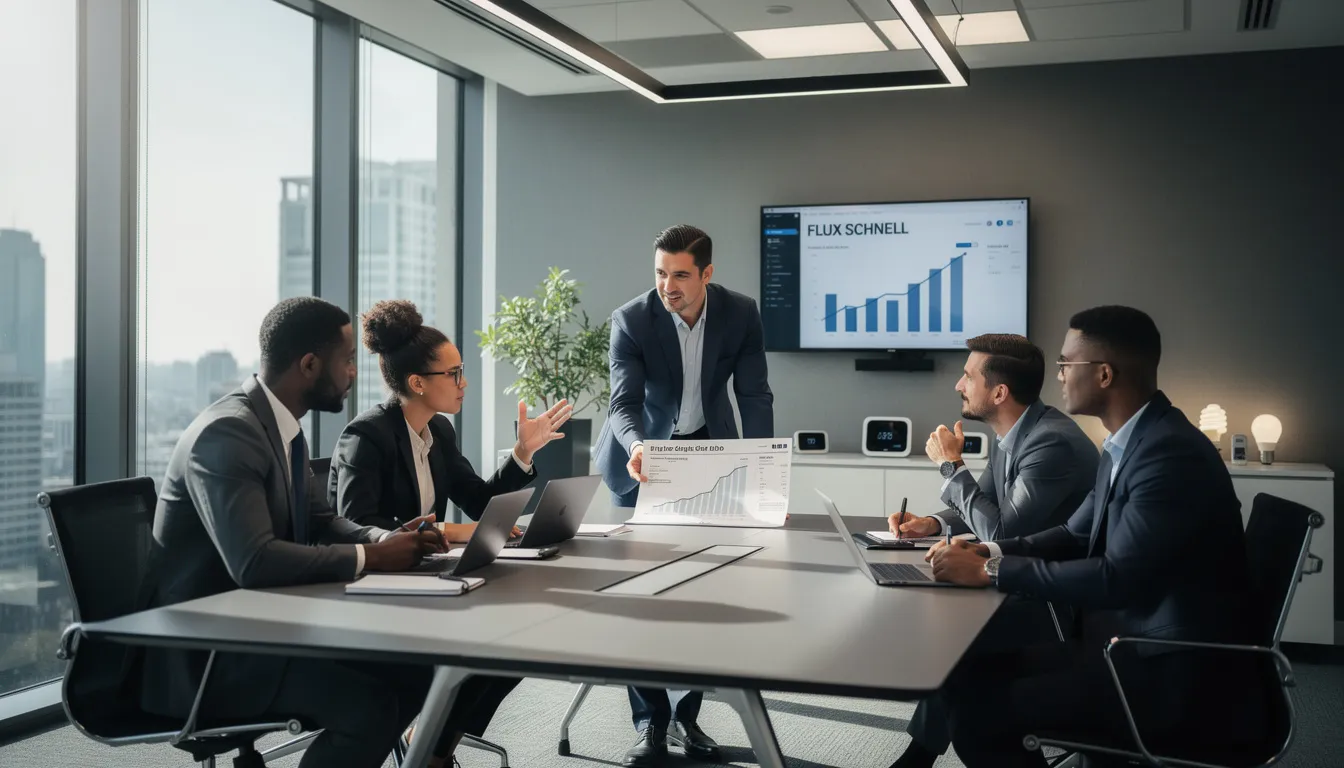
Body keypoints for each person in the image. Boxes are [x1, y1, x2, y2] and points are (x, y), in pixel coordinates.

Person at [925, 306, 1266, 767]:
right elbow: (1072, 532)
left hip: (1169, 672)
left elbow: (1116, 578)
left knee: (978, 715)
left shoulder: (1168, 454)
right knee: (965, 670)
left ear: (1104, 374)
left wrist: (991, 569)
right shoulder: (1129, 442)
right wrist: (986, 549)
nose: (1059, 375)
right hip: (1127, 647)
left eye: (1067, 364)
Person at [140, 297, 462, 768]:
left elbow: (321, 520)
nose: (355, 371)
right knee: (369, 708)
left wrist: (379, 540)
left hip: (264, 628)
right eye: (348, 360)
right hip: (208, 657)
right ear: (310, 364)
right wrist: (372, 559)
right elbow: (254, 562)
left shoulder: (281, 428)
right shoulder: (228, 434)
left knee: (414, 671)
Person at [328, 299, 572, 756]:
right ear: (417, 383)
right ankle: (432, 747)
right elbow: (356, 526)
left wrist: (523, 453)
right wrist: (446, 532)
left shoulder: (438, 432)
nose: (464, 384)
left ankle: (433, 743)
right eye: (453, 374)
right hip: (374, 592)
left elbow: (480, 501)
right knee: (484, 642)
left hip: (427, 579)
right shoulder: (366, 437)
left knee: (516, 641)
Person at [591, 225, 774, 767]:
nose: (668, 285)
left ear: (707, 274)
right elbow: (622, 404)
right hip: (641, 458)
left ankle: (687, 719)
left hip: (707, 454)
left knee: (700, 589)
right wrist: (638, 446)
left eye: (680, 274)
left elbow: (754, 393)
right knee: (642, 593)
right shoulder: (631, 319)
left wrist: (763, 465)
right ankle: (650, 723)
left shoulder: (740, 313)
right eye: (660, 273)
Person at [884, 333, 1098, 768]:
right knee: (948, 629)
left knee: (951, 637)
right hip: (1025, 579)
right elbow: (984, 506)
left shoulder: (1049, 443)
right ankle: (918, 757)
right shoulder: (1019, 431)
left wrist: (950, 466)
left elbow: (999, 528)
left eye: (967, 376)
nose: (958, 386)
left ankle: (919, 758)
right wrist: (932, 523)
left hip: (1060, 606)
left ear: (999, 392)